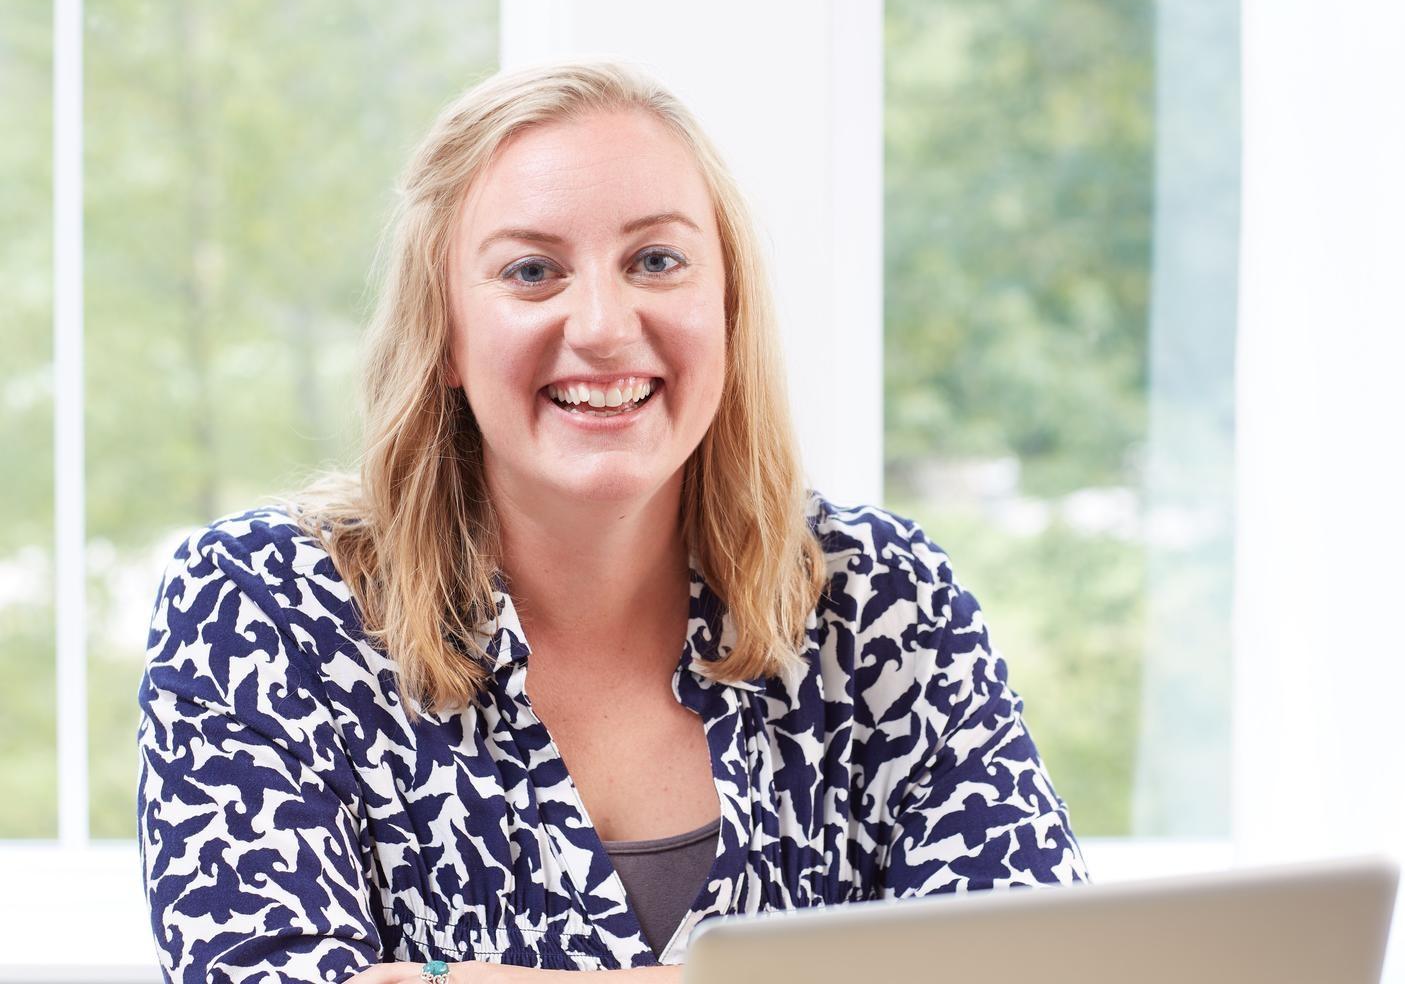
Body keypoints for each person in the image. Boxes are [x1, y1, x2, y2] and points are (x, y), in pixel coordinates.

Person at [136, 60, 1088, 984]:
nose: (601, 325)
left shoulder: (882, 601)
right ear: (446, 334)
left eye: (657, 261)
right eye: (532, 271)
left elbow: (1045, 966)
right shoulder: (261, 609)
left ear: (728, 306)